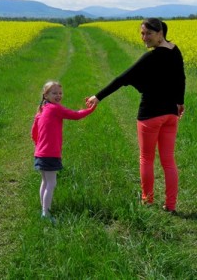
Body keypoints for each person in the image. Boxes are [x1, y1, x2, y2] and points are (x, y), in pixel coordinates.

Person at [86, 18, 185, 213]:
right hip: (170, 115)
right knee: (168, 160)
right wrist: (180, 102)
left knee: (146, 159)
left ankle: (147, 200)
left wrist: (98, 96)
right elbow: (181, 78)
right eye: (142, 33)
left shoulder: (151, 57)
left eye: (148, 33)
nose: (144, 38)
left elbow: (122, 78)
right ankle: (171, 205)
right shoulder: (175, 50)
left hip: (150, 115)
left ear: (160, 33)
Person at [31, 80, 96, 223]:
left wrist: (38, 144)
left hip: (40, 153)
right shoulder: (55, 109)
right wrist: (91, 109)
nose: (58, 95)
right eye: (54, 93)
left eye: (60, 93)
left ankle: (43, 209)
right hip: (50, 153)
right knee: (51, 183)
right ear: (46, 95)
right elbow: (75, 115)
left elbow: (34, 132)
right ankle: (46, 214)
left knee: (45, 181)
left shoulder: (42, 110)